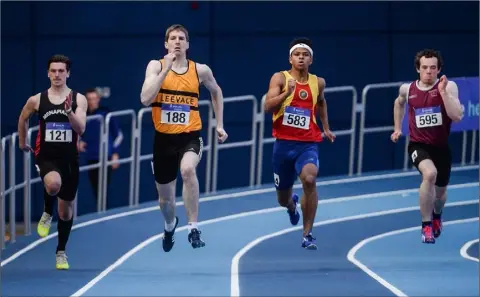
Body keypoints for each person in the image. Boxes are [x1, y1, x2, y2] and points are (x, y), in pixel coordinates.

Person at [140, 24, 228, 252]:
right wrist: (164, 71)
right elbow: (145, 99)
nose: (177, 42)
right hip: (163, 140)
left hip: (190, 136)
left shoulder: (200, 70)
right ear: (166, 44)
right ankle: (170, 225)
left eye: (181, 38)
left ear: (187, 44)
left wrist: (219, 124)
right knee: (166, 202)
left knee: (188, 170)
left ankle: (193, 227)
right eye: (173, 38)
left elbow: (216, 91)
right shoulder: (155, 66)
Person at [264, 38, 336, 250]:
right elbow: (268, 106)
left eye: (305, 55)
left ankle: (307, 234)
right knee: (282, 199)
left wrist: (326, 127)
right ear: (290, 58)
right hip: (283, 146)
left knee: (310, 179)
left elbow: (321, 101)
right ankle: (291, 205)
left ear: (311, 59)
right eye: (297, 54)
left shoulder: (318, 82)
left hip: (308, 143)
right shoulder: (280, 78)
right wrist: (287, 93)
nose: (301, 58)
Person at [17, 54, 88, 269]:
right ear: (48, 73)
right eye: (53, 71)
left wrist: (68, 112)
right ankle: (47, 211)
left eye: (61, 71)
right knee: (53, 184)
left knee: (66, 212)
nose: (57, 75)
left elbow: (81, 129)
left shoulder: (79, 99)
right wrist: (22, 141)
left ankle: (61, 251)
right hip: (46, 156)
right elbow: (23, 118)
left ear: (68, 73)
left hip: (69, 159)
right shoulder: (37, 99)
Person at [391, 49, 463, 244]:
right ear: (417, 69)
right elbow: (398, 103)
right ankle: (426, 225)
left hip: (441, 147)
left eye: (433, 68)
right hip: (418, 145)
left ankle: (437, 215)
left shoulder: (449, 87)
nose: (429, 72)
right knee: (429, 174)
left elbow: (456, 116)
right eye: (424, 68)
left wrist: (443, 93)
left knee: (440, 194)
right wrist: (398, 128)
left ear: (439, 69)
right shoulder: (408, 89)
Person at [78, 88, 123, 203]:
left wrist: (115, 153)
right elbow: (78, 133)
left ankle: (105, 215)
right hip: (91, 157)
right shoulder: (82, 116)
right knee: (95, 189)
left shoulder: (106, 114)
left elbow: (118, 135)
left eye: (94, 98)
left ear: (98, 99)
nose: (92, 101)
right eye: (89, 99)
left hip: (105, 157)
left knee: (104, 189)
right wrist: (79, 142)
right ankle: (100, 215)